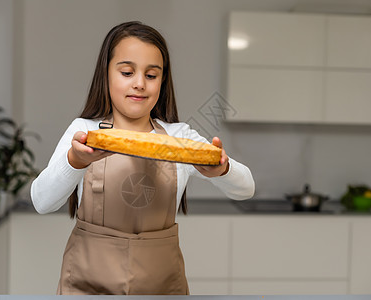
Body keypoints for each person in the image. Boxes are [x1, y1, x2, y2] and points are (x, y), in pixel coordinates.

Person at [31, 21, 255, 295]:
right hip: (87, 288)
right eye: (127, 72)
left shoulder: (178, 136)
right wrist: (75, 161)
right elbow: (41, 202)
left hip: (161, 289)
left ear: (162, 81)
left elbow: (247, 188)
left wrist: (221, 169)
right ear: (106, 75)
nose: (139, 84)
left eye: (151, 75)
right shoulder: (84, 132)